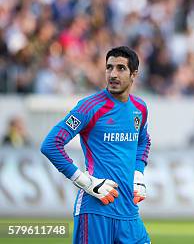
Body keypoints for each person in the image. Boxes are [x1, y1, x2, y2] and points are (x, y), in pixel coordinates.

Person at [40, 46, 151, 244]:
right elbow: (51, 144)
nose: (113, 74)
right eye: (109, 68)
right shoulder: (90, 106)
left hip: (129, 211)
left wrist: (138, 173)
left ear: (134, 74)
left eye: (120, 68)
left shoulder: (139, 108)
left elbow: (143, 140)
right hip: (95, 210)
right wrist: (86, 182)